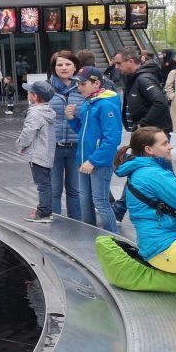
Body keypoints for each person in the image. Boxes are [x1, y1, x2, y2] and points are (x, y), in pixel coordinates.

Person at [114, 126, 176, 274]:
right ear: (149, 149)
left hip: (160, 243)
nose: (170, 147)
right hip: (166, 248)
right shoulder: (152, 174)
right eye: (164, 143)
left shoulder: (144, 170)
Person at [65, 66, 122, 233]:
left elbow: (112, 139)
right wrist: (71, 119)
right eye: (78, 84)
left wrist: (94, 161)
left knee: (100, 202)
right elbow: (83, 132)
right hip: (85, 160)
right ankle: (90, 234)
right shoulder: (89, 103)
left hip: (98, 162)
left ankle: (113, 238)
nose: (79, 87)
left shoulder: (105, 104)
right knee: (85, 200)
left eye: (83, 84)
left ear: (96, 84)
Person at [47, 51, 84, 220]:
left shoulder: (83, 88)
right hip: (53, 147)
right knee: (54, 189)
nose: (64, 68)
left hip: (77, 147)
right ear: (54, 68)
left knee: (75, 190)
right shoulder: (46, 88)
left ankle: (76, 223)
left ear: (75, 67)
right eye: (59, 64)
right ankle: (54, 222)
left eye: (68, 64)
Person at [17, 80, 58, 224]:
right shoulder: (47, 110)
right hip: (46, 152)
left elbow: (28, 132)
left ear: (34, 96)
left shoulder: (35, 113)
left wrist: (20, 145)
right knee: (45, 183)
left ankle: (44, 213)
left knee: (43, 184)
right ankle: (45, 209)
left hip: (38, 154)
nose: (27, 94)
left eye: (29, 92)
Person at [113, 49, 171, 135]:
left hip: (151, 134)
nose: (116, 67)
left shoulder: (143, 79)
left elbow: (161, 102)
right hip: (144, 132)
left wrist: (142, 124)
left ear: (130, 61)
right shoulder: (131, 77)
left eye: (118, 63)